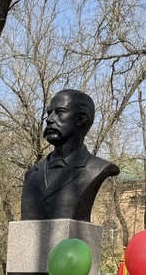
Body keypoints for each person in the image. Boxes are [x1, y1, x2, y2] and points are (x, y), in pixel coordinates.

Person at [20, 89, 120, 222]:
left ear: (81, 118)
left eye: (60, 112)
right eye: (49, 113)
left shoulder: (96, 168)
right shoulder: (31, 175)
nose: (49, 119)